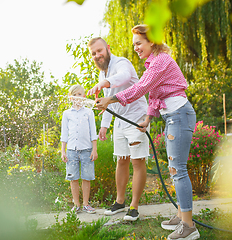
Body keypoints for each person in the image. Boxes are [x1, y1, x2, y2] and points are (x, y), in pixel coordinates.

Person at [93, 25, 199, 240]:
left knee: (178, 169)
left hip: (179, 113)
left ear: (152, 41)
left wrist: (111, 99)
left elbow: (140, 88)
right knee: (173, 168)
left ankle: (189, 227)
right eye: (134, 45)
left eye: (139, 43)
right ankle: (181, 216)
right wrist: (149, 117)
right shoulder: (153, 63)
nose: (136, 48)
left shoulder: (161, 60)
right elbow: (154, 96)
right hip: (172, 115)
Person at [87, 37, 150, 221]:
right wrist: (104, 126)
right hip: (120, 122)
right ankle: (120, 202)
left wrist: (105, 83)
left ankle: (134, 206)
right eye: (93, 53)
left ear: (107, 48)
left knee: (137, 162)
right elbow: (108, 103)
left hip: (137, 118)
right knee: (121, 160)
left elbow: (123, 78)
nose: (97, 55)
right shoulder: (102, 75)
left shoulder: (122, 63)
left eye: (99, 50)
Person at [61, 84, 98, 214]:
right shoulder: (66, 114)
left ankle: (86, 204)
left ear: (84, 97)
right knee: (73, 178)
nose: (77, 97)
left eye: (80, 94)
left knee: (86, 178)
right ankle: (76, 205)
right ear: (70, 98)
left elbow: (93, 132)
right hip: (71, 150)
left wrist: (94, 149)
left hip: (87, 150)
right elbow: (64, 134)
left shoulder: (89, 112)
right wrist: (63, 151)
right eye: (75, 95)